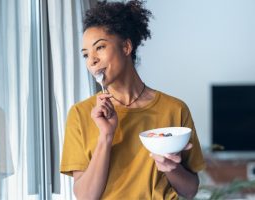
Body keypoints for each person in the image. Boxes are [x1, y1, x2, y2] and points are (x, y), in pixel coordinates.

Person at [60, 1, 205, 199]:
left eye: (99, 47)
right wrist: (106, 135)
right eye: (86, 54)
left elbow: (190, 190)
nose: (91, 60)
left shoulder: (175, 109)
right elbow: (85, 197)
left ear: (126, 47)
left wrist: (171, 167)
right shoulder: (81, 114)